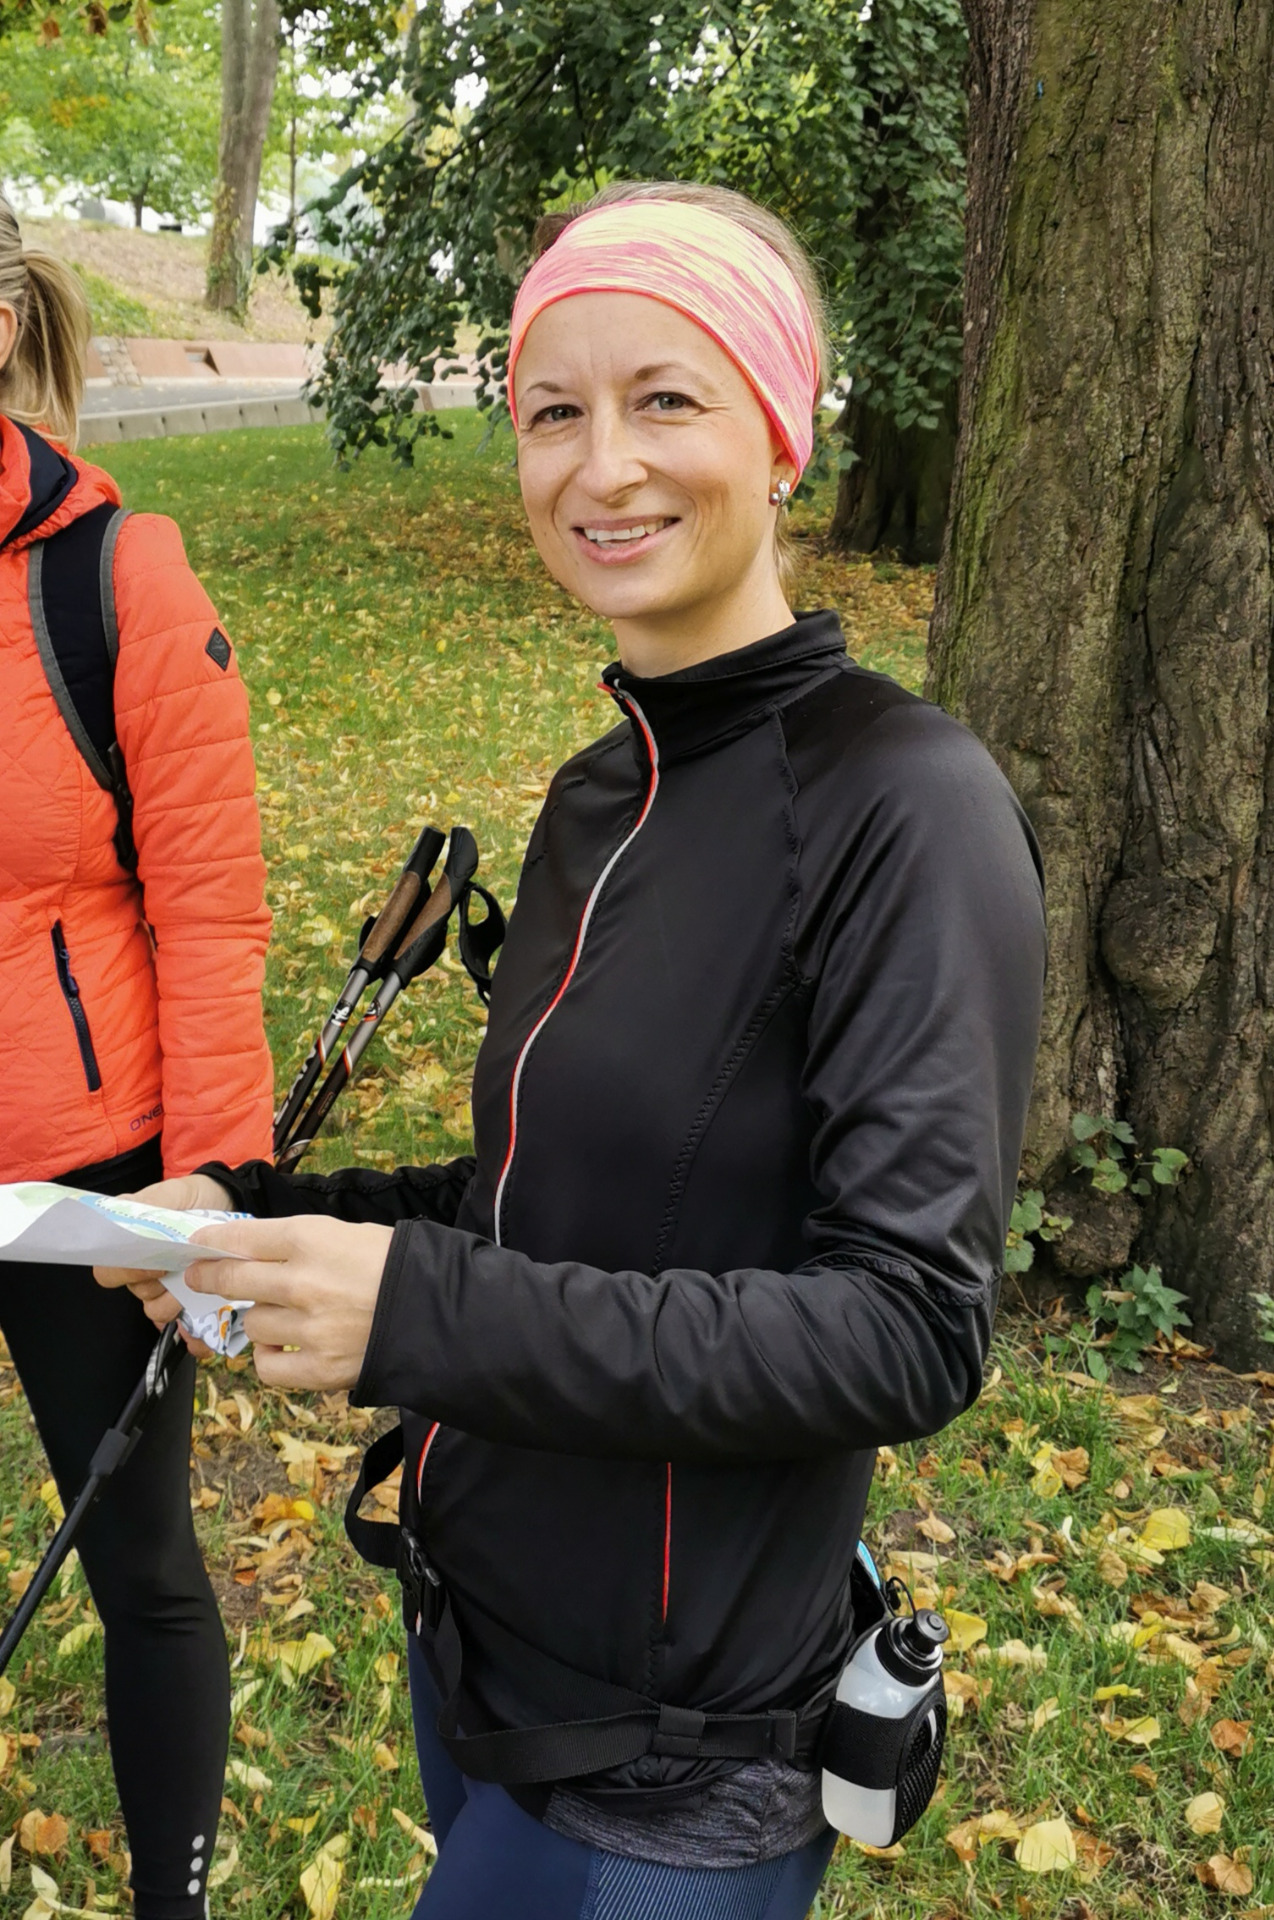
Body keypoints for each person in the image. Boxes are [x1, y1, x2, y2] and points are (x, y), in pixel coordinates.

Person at [103, 182, 1046, 1920]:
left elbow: (908, 1329)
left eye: (664, 398)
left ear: (779, 433)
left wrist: (416, 1311)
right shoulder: (599, 789)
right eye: (553, 411)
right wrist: (256, 1206)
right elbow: (561, 1184)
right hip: (480, 1647)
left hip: (672, 1756)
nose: (599, 464)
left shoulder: (905, 806)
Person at [0, 195, 273, 1920]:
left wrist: (214, 1190)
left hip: (83, 1173)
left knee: (144, 1571)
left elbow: (214, 910)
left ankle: (169, 1896)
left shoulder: (116, 577)